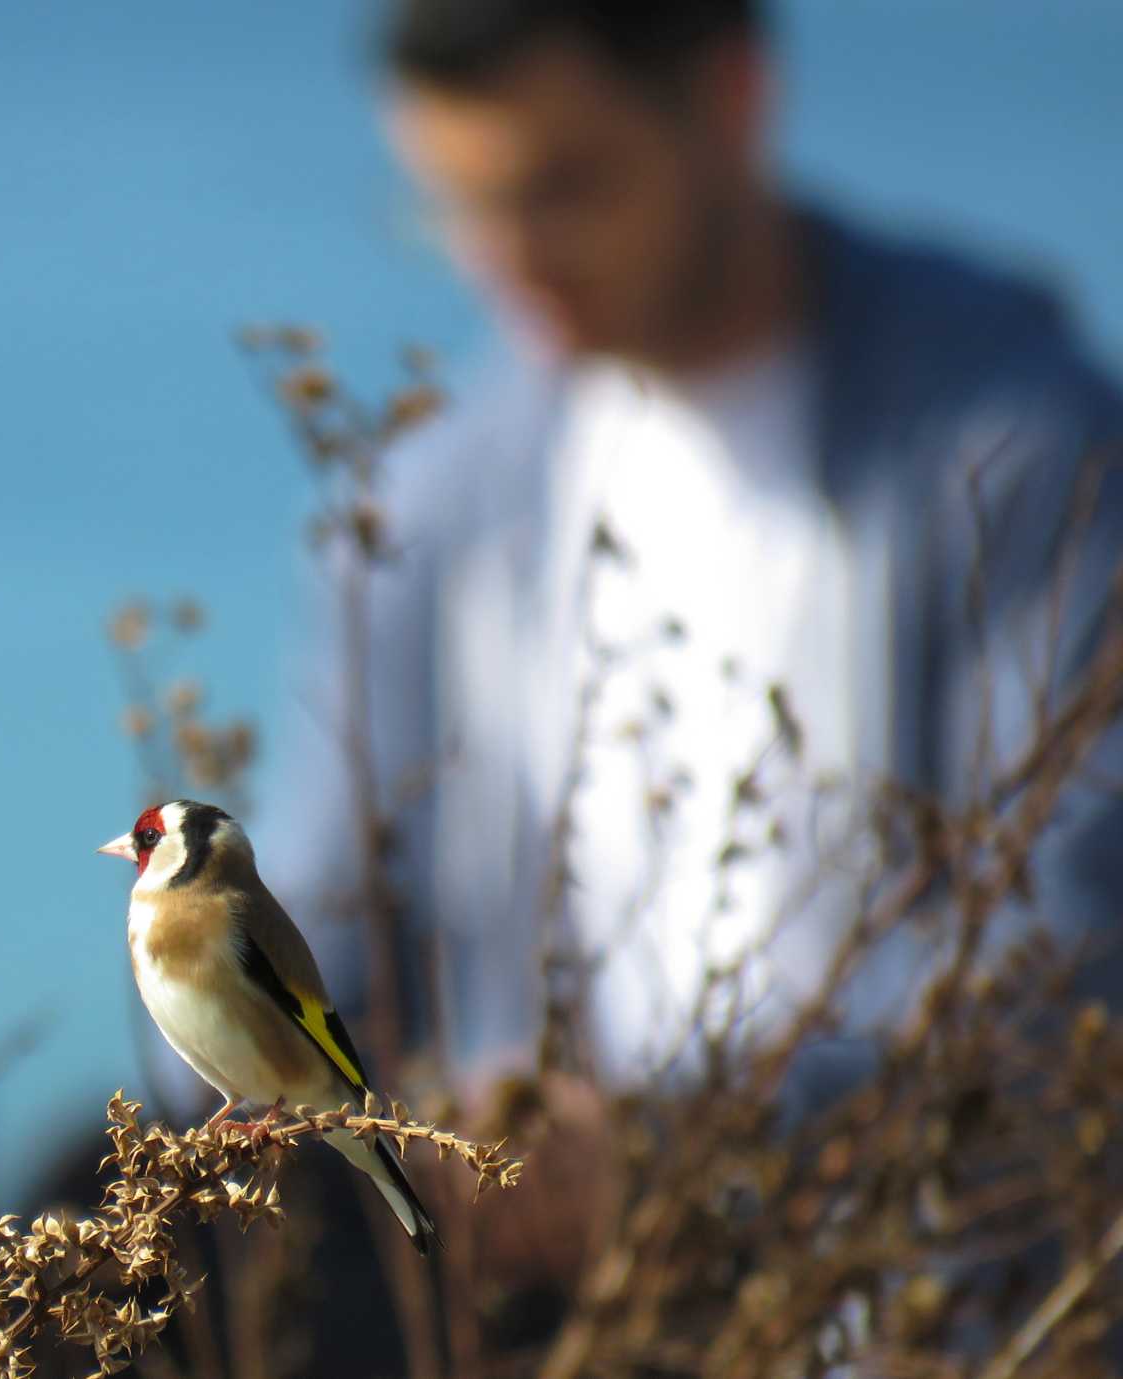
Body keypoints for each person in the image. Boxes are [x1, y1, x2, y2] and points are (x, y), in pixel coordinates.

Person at [246, 0, 1123, 1089]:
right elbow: (316, 931)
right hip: (544, 1255)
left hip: (932, 1244)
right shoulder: (424, 509)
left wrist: (654, 1154)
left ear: (732, 100)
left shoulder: (1021, 445)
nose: (507, 260)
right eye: (456, 206)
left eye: (563, 189)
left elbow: (1069, 945)